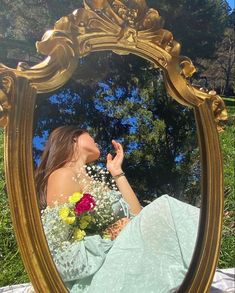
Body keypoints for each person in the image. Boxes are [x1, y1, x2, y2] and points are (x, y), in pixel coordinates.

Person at [35, 125, 200, 293]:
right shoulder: (62, 175)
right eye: (90, 135)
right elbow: (57, 251)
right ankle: (202, 264)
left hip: (122, 256)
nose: (95, 140)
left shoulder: (94, 181)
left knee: (164, 210)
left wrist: (117, 172)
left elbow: (137, 215)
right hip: (99, 275)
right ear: (74, 138)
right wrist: (108, 235)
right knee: (166, 206)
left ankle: (201, 265)